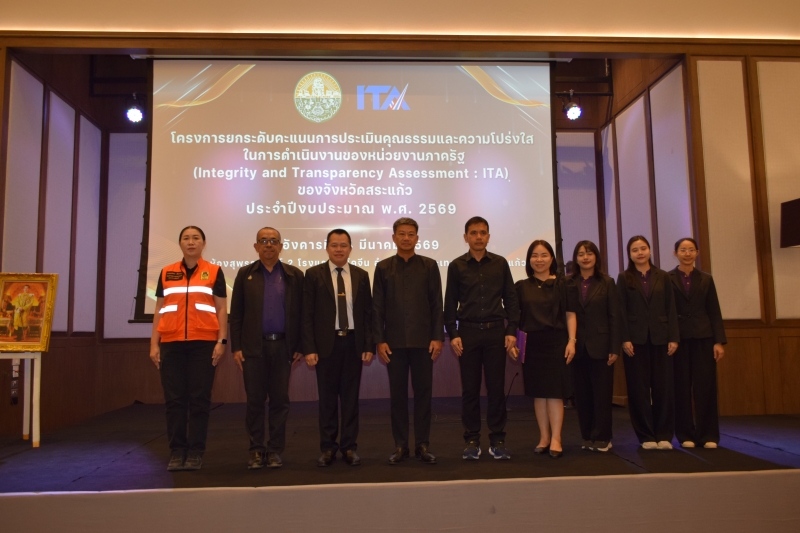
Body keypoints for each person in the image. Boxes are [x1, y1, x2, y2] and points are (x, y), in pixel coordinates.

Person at [149, 226, 227, 471]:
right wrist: (154, 343)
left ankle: (195, 451)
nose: (191, 242)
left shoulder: (214, 271)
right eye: (186, 238)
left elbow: (221, 308)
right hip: (171, 344)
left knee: (199, 400)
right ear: (180, 243)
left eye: (196, 238)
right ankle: (177, 450)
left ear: (203, 243)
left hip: (203, 344)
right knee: (174, 401)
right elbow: (159, 308)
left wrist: (221, 341)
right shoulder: (166, 272)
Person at [444, 216, 519, 461]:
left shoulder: (500, 264)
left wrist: (511, 330)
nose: (478, 237)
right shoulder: (456, 266)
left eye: (483, 232)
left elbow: (511, 299)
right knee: (470, 389)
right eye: (474, 233)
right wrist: (453, 334)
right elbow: (449, 304)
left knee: (496, 388)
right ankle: (472, 440)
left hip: (496, 332)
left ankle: (498, 440)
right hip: (467, 333)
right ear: (465, 237)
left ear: (488, 236)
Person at [230, 227, 304, 469]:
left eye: (273, 241)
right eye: (263, 241)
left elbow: (302, 314)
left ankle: (274, 450)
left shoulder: (294, 275)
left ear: (281, 246)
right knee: (255, 400)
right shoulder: (245, 274)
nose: (268, 244)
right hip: (253, 348)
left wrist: (300, 345)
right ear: (256, 246)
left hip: (283, 347)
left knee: (280, 400)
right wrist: (236, 347)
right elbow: (237, 314)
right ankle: (255, 449)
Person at [373, 217, 444, 465]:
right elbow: (377, 308)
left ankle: (423, 445)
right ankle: (400, 445)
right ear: (394, 238)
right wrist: (379, 340)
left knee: (424, 395)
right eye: (401, 234)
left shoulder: (429, 266)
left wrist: (437, 337)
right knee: (398, 397)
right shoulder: (383, 268)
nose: (406, 238)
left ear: (417, 238)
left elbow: (437, 304)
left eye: (410, 234)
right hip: (393, 344)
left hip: (424, 343)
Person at [302, 229, 374, 467]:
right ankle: (328, 448)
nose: (339, 249)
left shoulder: (361, 275)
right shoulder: (313, 274)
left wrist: (368, 344)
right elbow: (307, 315)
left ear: (350, 248)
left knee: (351, 399)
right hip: (326, 345)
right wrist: (309, 348)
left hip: (353, 343)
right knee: (327, 400)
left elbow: (367, 314)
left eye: (343, 245)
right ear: (327, 248)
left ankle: (349, 447)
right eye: (334, 245)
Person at [512, 240, 576, 459]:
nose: (539, 260)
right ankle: (544, 437)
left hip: (557, 342)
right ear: (529, 260)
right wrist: (514, 343)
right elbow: (516, 317)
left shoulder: (563, 284)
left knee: (555, 393)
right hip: (532, 345)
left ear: (552, 259)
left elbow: (570, 313)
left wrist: (572, 341)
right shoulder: (521, 286)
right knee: (538, 393)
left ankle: (556, 438)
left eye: (544, 255)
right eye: (534, 256)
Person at [617, 235, 679, 450]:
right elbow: (620, 311)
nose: (640, 253)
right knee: (638, 389)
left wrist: (673, 337)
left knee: (664, 388)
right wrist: (624, 338)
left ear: (650, 251)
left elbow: (671, 308)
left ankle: (664, 434)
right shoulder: (624, 278)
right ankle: (645, 435)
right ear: (629, 254)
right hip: (635, 341)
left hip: (662, 339)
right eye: (635, 250)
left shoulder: (663, 276)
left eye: (643, 248)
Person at [669, 237, 727, 449]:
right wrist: (670, 337)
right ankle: (685, 434)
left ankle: (708, 434)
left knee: (706, 387)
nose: (687, 253)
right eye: (683, 250)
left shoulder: (706, 279)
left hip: (704, 338)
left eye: (691, 250)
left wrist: (718, 341)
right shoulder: (667, 278)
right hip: (678, 340)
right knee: (681, 387)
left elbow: (714, 311)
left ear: (697, 253)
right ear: (675, 253)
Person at [567, 240, 622, 453]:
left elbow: (614, 316)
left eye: (589, 253)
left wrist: (614, 347)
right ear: (576, 258)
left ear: (596, 257)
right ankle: (587, 435)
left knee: (602, 394)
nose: (585, 257)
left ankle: (603, 437)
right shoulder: (569, 283)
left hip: (602, 346)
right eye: (581, 254)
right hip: (577, 347)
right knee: (582, 395)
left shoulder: (607, 282)